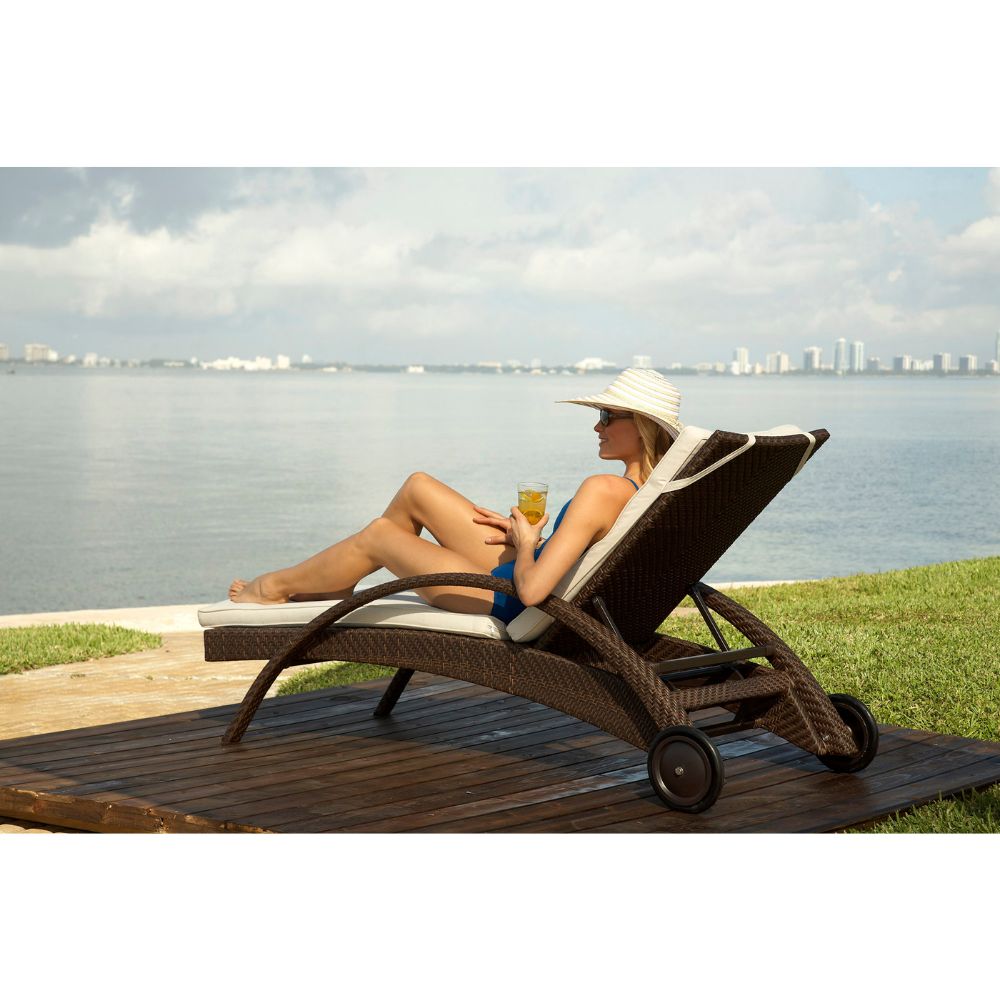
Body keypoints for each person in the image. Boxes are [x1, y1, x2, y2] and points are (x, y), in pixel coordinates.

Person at [228, 368, 684, 623]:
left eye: (607, 415)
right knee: (418, 487)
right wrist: (524, 537)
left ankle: (274, 587)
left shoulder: (601, 488)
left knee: (382, 535)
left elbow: (533, 591)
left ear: (640, 425)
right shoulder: (650, 493)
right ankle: (340, 581)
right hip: (527, 575)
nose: (596, 426)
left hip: (506, 599)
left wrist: (526, 545)